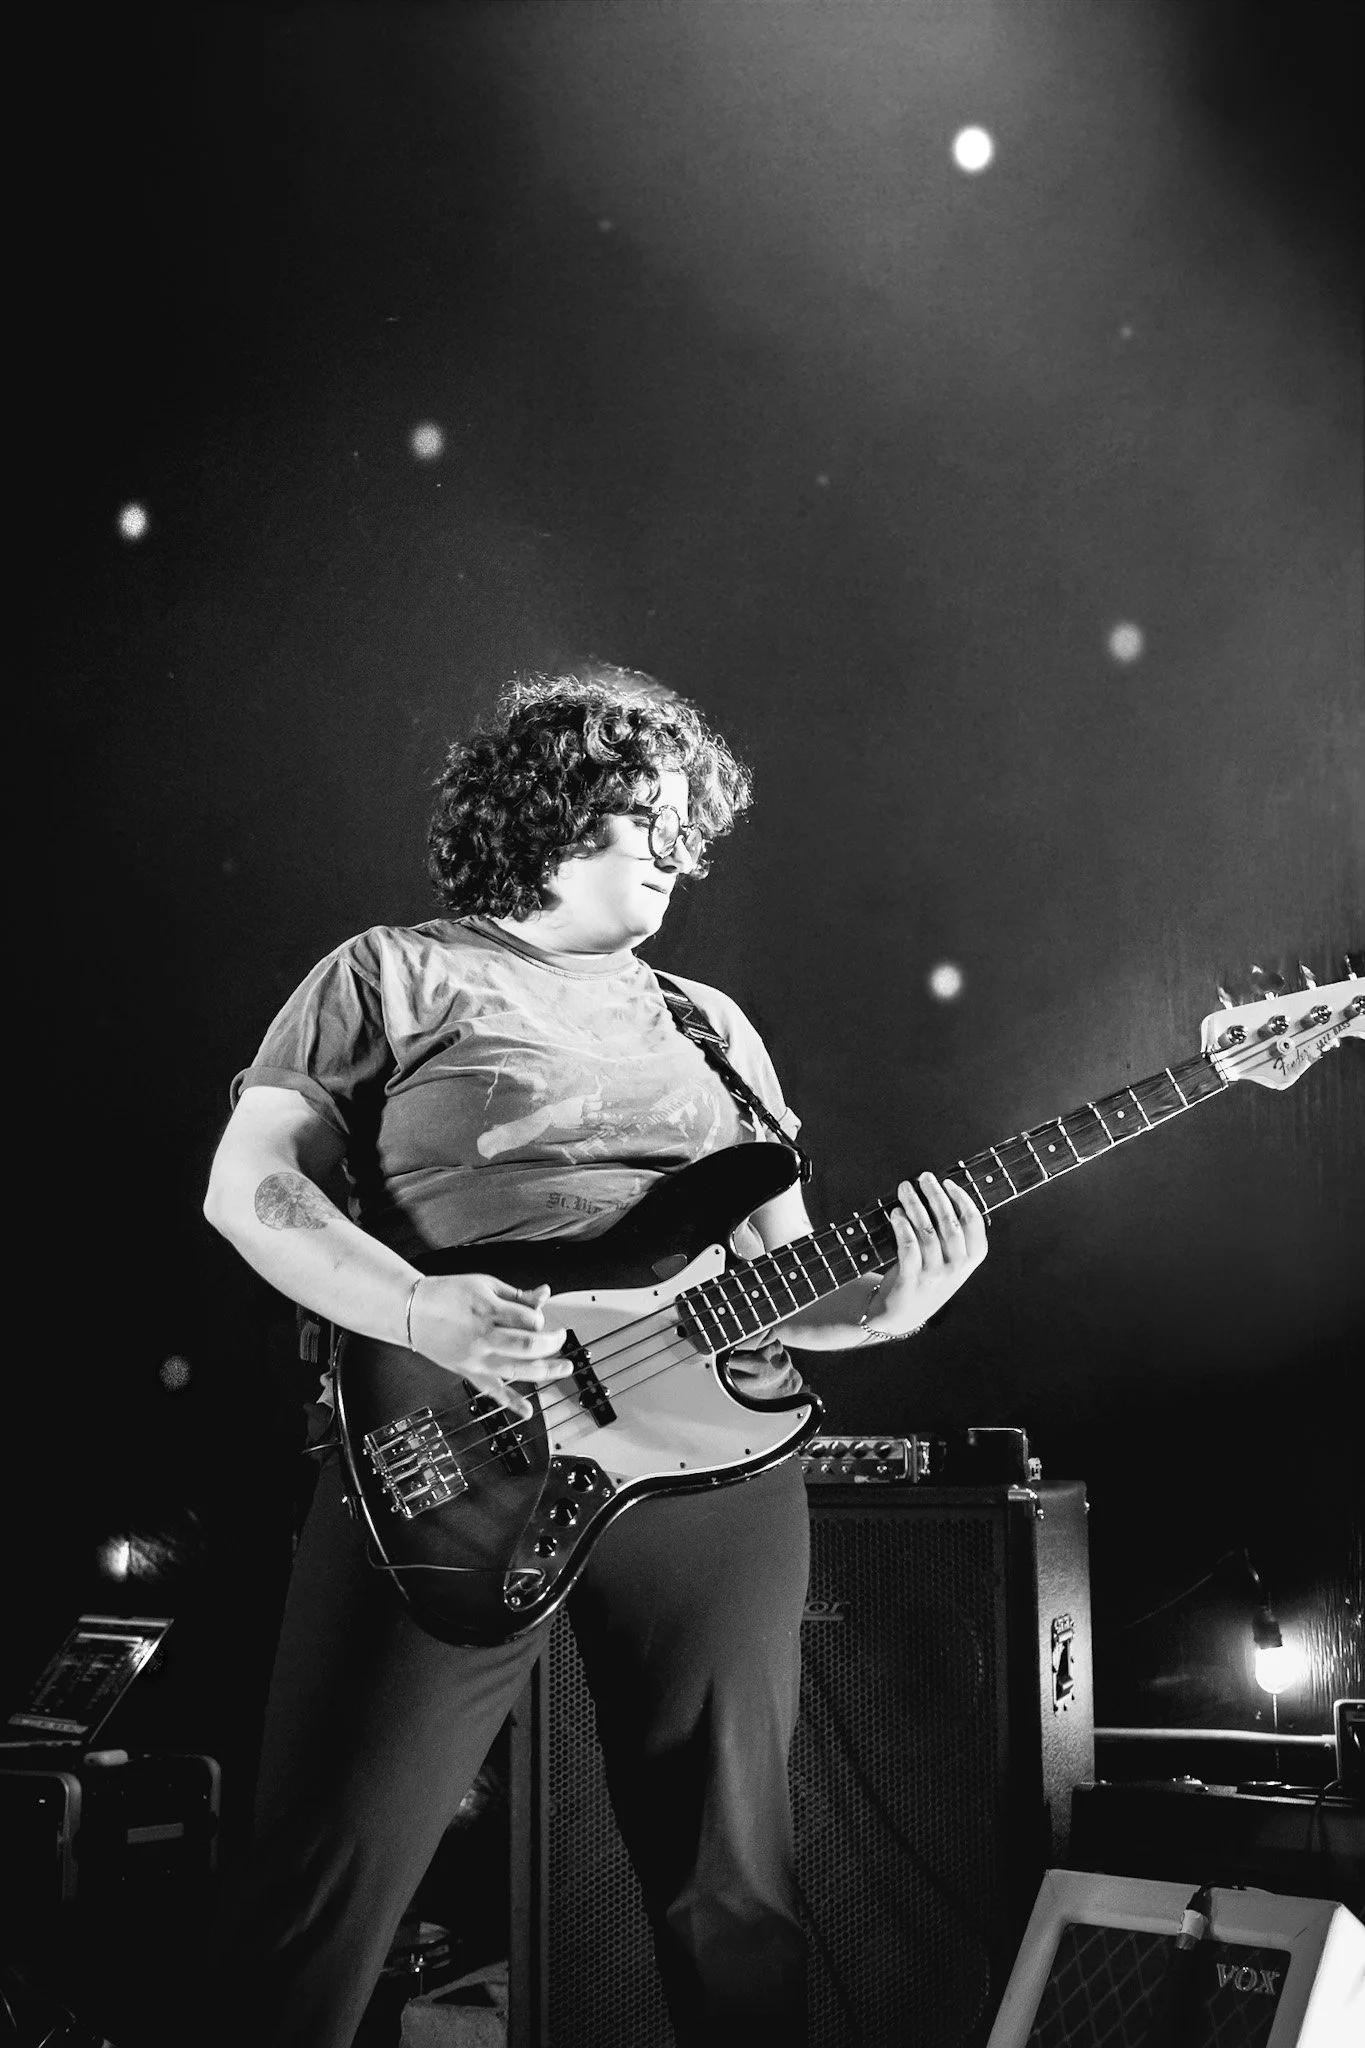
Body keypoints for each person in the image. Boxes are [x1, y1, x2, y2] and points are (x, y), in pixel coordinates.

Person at [201, 666, 987, 2047]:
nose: (681, 852)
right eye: (651, 817)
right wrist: (418, 1309)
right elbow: (248, 1186)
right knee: (319, 1895)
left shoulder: (710, 1024)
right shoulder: (393, 972)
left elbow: (776, 1279)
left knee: (736, 1897)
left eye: (695, 825)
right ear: (552, 812)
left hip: (712, 1471)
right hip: (449, 1454)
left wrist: (885, 1311)